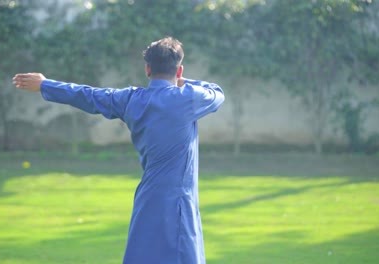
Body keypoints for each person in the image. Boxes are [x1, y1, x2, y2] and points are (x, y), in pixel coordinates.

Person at [12, 37, 224, 264]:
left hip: (146, 199)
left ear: (147, 69)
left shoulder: (130, 99)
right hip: (178, 203)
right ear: (179, 69)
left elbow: (87, 95)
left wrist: (45, 84)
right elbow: (217, 93)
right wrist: (182, 80)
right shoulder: (188, 98)